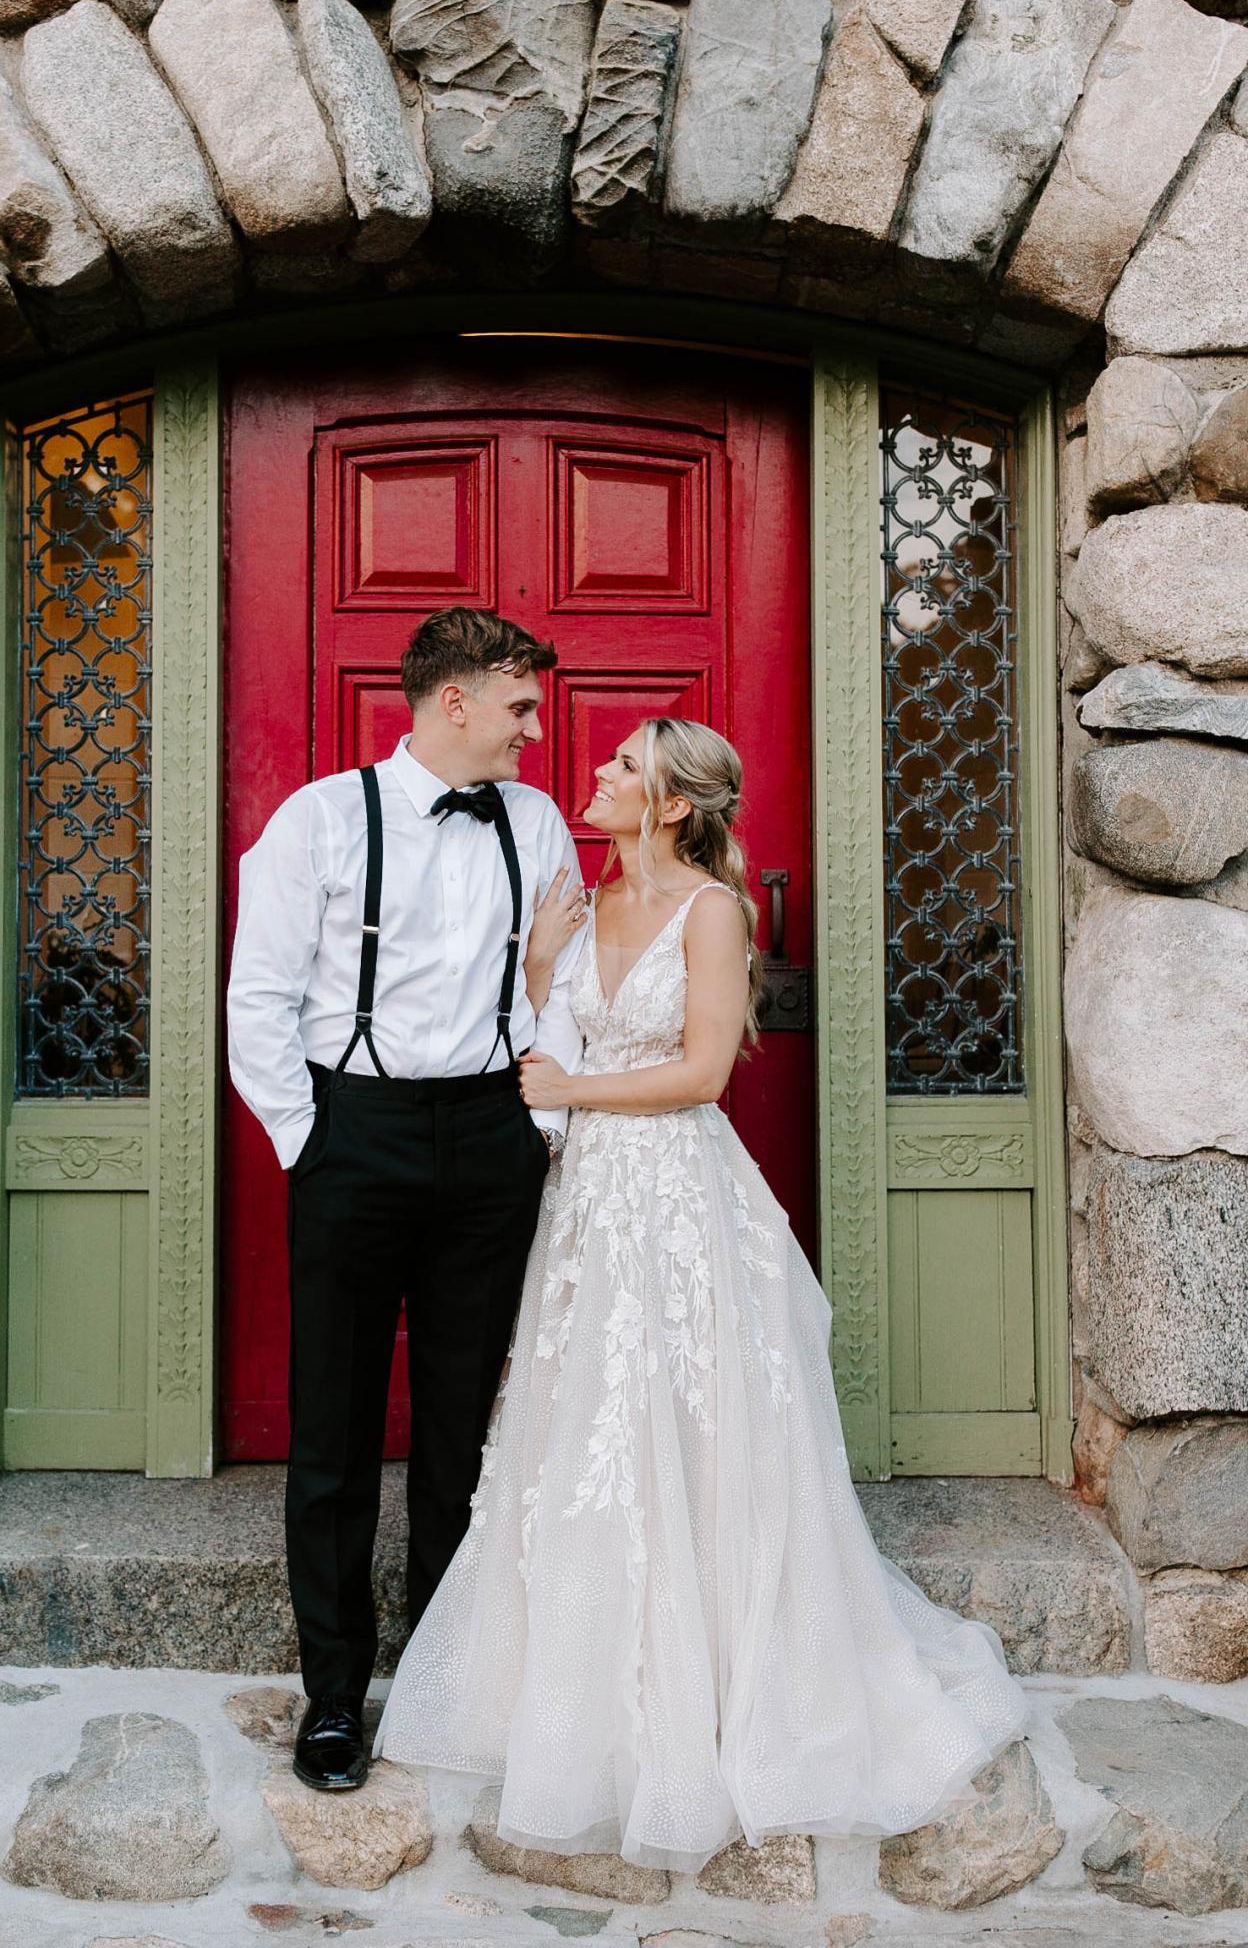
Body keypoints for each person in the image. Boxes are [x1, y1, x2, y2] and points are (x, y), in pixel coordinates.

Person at [375, 715, 1030, 1869]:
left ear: (672, 803)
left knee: (697, 1428)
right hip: (584, 1205)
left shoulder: (716, 911)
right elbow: (546, 1036)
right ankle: (584, 1699)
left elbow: (703, 1071)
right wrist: (542, 971)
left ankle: (725, 1695)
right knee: (582, 1434)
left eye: (623, 766)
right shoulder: (580, 902)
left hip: (678, 1200)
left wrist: (577, 1081)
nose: (598, 772)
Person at [226, 606, 591, 1795]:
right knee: (331, 1433)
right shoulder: (321, 820)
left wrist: (534, 1126)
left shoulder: (534, 825)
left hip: (490, 1137)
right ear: (455, 703)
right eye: (521, 706)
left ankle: (440, 1689)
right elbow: (259, 999)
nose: (536, 731)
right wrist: (308, 1142)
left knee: (459, 1439)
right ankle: (333, 1698)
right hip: (355, 1133)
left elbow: (560, 985)